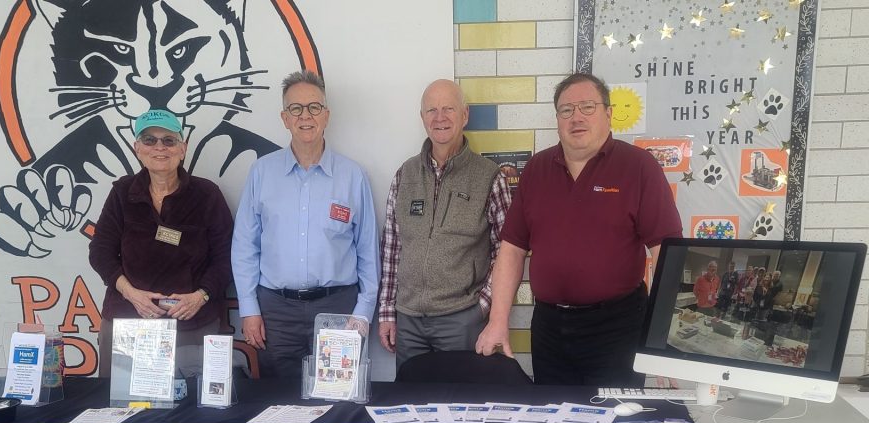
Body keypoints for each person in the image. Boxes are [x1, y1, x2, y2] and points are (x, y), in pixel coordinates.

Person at [475, 72, 682, 386]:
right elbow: (513, 249)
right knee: (555, 421)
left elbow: (666, 252)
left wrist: (661, 336)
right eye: (566, 110)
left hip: (618, 327)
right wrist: (498, 320)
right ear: (557, 118)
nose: (577, 118)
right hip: (549, 327)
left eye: (588, 107)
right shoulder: (536, 170)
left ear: (609, 113)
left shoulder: (640, 168)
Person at [232, 70, 379, 379]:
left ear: (326, 115)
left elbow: (368, 250)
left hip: (338, 309)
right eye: (295, 109)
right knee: (278, 404)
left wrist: (363, 313)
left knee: (336, 402)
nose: (305, 116)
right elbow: (245, 246)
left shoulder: (352, 176)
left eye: (313, 107)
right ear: (285, 118)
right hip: (277, 313)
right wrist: (249, 308)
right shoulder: (262, 173)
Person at [377, 79, 511, 367]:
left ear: (465, 115)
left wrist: (481, 307)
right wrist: (388, 311)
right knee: (411, 404)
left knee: (461, 403)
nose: (440, 118)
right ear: (422, 118)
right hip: (409, 323)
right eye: (432, 110)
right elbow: (392, 247)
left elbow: (507, 251)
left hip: (461, 321)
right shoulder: (405, 174)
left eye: (448, 108)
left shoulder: (489, 177)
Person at [89, 109, 233, 377]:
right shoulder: (122, 193)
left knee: (190, 410)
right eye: (149, 140)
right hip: (128, 319)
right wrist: (131, 294)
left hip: (191, 322)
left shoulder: (206, 195)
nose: (159, 147)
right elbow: (100, 252)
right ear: (137, 148)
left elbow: (226, 258)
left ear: (183, 148)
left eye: (169, 140)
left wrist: (200, 297)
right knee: (122, 409)